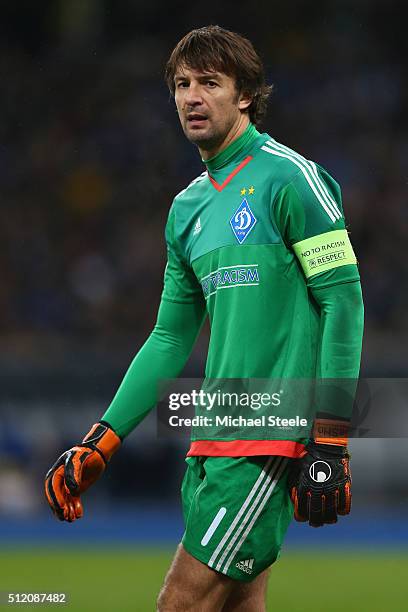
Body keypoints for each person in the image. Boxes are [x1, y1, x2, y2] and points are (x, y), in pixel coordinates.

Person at [45, 26, 364, 611]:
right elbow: (169, 337)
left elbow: (344, 302)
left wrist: (332, 438)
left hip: (270, 436)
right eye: (182, 84)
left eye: (209, 83)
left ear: (244, 95)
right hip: (212, 436)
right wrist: (102, 439)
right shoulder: (186, 209)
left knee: (181, 602)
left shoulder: (290, 178)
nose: (191, 96)